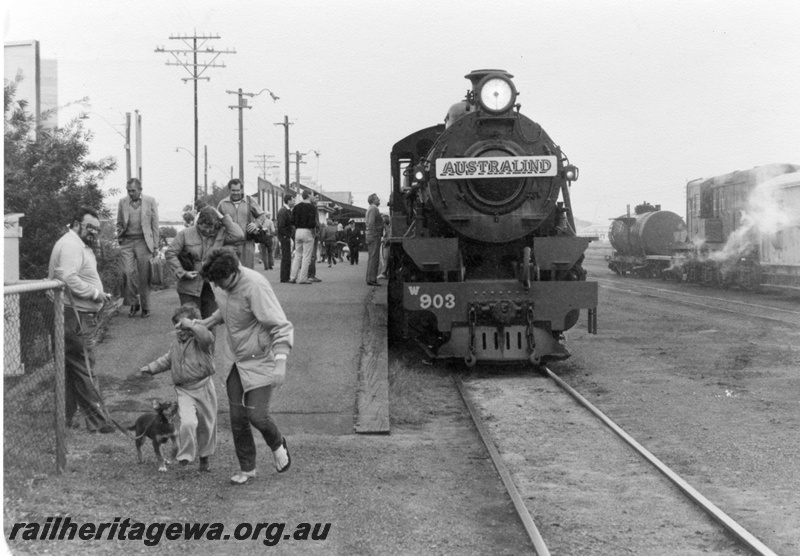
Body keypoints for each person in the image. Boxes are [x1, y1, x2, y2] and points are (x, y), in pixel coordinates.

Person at [198, 248, 293, 485]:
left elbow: (281, 326)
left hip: (259, 357)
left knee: (257, 416)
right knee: (237, 417)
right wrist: (207, 321)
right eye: (215, 283)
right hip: (234, 358)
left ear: (234, 271)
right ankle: (247, 467)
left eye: (222, 282)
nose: (219, 286)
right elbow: (229, 308)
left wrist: (280, 362)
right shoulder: (222, 284)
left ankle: (277, 443)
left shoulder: (255, 286)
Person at [48, 207, 116, 433]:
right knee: (85, 368)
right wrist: (96, 294)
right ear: (76, 224)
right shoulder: (70, 245)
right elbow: (68, 277)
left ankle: (65, 419)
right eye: (90, 228)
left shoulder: (76, 244)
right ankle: (98, 422)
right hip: (74, 316)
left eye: (97, 229)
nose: (94, 233)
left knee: (70, 369)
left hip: (71, 315)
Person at [140, 304, 217, 471]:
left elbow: (207, 337)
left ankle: (204, 459)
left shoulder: (201, 342)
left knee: (206, 425)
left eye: (184, 326)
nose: (181, 331)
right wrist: (151, 368)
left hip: (204, 388)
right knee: (187, 423)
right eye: (177, 326)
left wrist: (193, 325)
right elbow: (167, 360)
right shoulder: (175, 345)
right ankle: (186, 454)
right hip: (184, 390)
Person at [166, 206, 244, 318]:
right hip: (189, 287)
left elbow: (239, 235)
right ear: (198, 223)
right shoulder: (185, 234)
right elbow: (170, 253)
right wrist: (182, 272)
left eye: (211, 227)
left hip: (212, 286)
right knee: (190, 323)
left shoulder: (221, 233)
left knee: (210, 324)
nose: (208, 231)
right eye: (204, 227)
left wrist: (221, 216)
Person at [116, 177, 160, 318]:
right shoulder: (122, 202)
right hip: (127, 242)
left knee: (144, 276)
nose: (131, 193)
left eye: (133, 191)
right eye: (128, 191)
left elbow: (155, 225)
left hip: (143, 242)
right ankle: (134, 303)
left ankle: (146, 306)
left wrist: (156, 246)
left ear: (140, 190)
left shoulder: (150, 201)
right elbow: (119, 222)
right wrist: (120, 237)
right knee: (127, 272)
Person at [217, 178, 266, 269]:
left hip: (246, 243)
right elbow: (217, 224)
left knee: (247, 272)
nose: (235, 193)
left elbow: (262, 215)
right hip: (229, 245)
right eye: (233, 190)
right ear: (229, 190)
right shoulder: (222, 204)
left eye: (238, 190)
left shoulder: (250, 201)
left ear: (241, 190)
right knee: (230, 273)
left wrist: (255, 224)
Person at [289, 190, 317, 285]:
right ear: (308, 195)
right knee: (306, 256)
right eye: (312, 195)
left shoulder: (296, 207)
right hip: (307, 231)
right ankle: (303, 278)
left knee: (297, 255)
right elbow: (313, 223)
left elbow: (292, 221)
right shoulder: (312, 207)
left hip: (298, 231)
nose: (313, 197)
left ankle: (292, 277)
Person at [365, 193, 384, 286]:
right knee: (374, 258)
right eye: (377, 198)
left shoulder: (369, 209)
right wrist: (376, 234)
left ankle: (369, 278)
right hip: (374, 236)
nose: (379, 200)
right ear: (373, 200)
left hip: (370, 235)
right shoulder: (374, 209)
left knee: (371, 257)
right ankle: (372, 279)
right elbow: (372, 223)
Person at [277, 194, 296, 283]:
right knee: (286, 257)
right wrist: (286, 235)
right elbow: (281, 225)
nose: (294, 202)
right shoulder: (283, 211)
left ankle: (286, 276)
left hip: (287, 236)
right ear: (288, 201)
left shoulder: (287, 211)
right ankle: (284, 277)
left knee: (287, 256)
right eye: (293, 200)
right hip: (284, 236)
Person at [377, 214, 392, 280]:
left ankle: (384, 273)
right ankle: (385, 272)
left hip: (387, 245)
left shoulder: (388, 228)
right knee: (385, 259)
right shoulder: (386, 228)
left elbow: (389, 237)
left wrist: (384, 241)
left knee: (386, 259)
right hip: (386, 244)